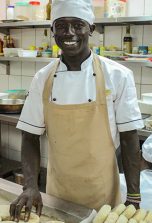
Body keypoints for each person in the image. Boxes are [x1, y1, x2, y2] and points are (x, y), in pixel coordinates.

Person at [9, 0, 144, 221]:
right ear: (52, 31)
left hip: (103, 196)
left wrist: (134, 197)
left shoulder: (118, 76)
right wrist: (30, 186)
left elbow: (130, 138)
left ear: (91, 28)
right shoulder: (42, 79)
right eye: (61, 26)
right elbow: (30, 135)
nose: (69, 33)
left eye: (77, 25)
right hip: (58, 195)